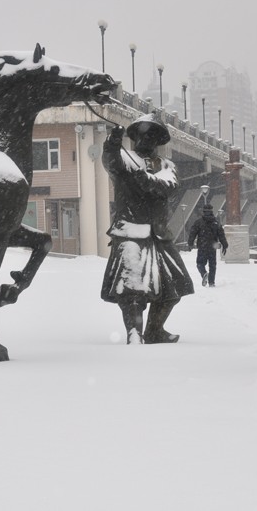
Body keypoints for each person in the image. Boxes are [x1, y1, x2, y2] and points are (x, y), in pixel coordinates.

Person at [100, 114, 195, 344]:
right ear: (135, 138)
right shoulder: (125, 159)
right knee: (132, 290)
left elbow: (167, 187)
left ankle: (154, 329)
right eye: (143, 135)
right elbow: (110, 162)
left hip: (159, 235)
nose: (147, 140)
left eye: (152, 136)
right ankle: (134, 332)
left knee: (175, 288)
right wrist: (112, 144)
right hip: (131, 233)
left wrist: (143, 179)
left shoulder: (167, 166)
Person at [187, 204, 228, 287]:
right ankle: (211, 282)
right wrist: (225, 244)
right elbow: (221, 235)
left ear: (203, 211)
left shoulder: (198, 222)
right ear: (212, 211)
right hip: (213, 247)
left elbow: (192, 233)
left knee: (200, 264)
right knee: (212, 265)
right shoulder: (216, 223)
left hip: (202, 246)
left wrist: (190, 243)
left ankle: (204, 273)